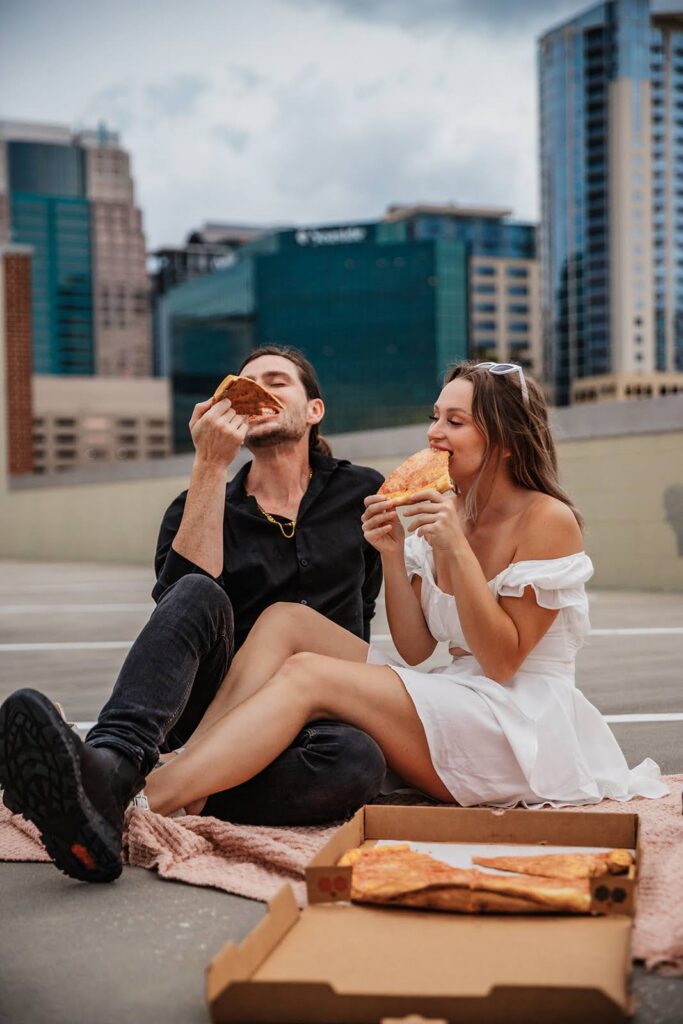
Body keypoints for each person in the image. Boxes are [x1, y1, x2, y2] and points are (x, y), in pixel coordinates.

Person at [132, 359, 668, 818]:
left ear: (503, 441)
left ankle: (145, 797)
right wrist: (392, 552)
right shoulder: (442, 508)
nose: (435, 432)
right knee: (285, 619)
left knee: (307, 674)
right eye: (436, 416)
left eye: (455, 421)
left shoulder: (547, 519)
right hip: (458, 691)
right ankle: (186, 766)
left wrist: (455, 548)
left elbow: (503, 662)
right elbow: (417, 649)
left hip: (518, 725)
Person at [0, 346, 386, 883]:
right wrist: (210, 464)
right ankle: (111, 764)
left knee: (357, 762)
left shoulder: (364, 492)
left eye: (278, 381)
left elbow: (361, 611)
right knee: (197, 593)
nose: (261, 392)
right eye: (245, 385)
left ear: (314, 410)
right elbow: (178, 610)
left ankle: (130, 796)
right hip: (212, 704)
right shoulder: (197, 504)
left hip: (314, 714)